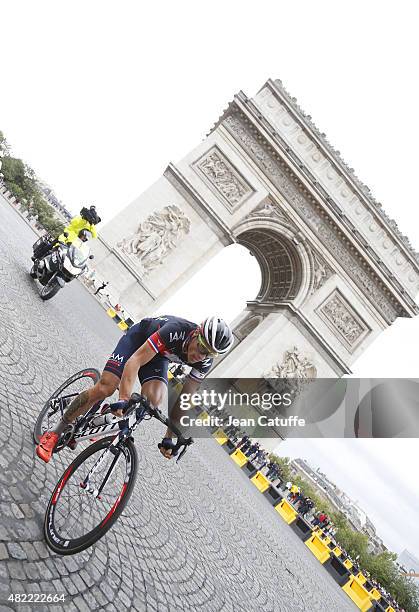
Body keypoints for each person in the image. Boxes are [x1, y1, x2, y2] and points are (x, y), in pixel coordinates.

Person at [36, 315, 234, 463]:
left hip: (159, 357)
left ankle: (105, 416)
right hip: (138, 342)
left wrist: (170, 436)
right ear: (196, 334)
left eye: (209, 354)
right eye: (201, 348)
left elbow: (185, 399)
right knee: (107, 387)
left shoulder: (204, 362)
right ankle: (55, 432)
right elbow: (136, 360)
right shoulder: (175, 330)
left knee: (153, 401)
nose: (202, 356)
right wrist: (123, 396)